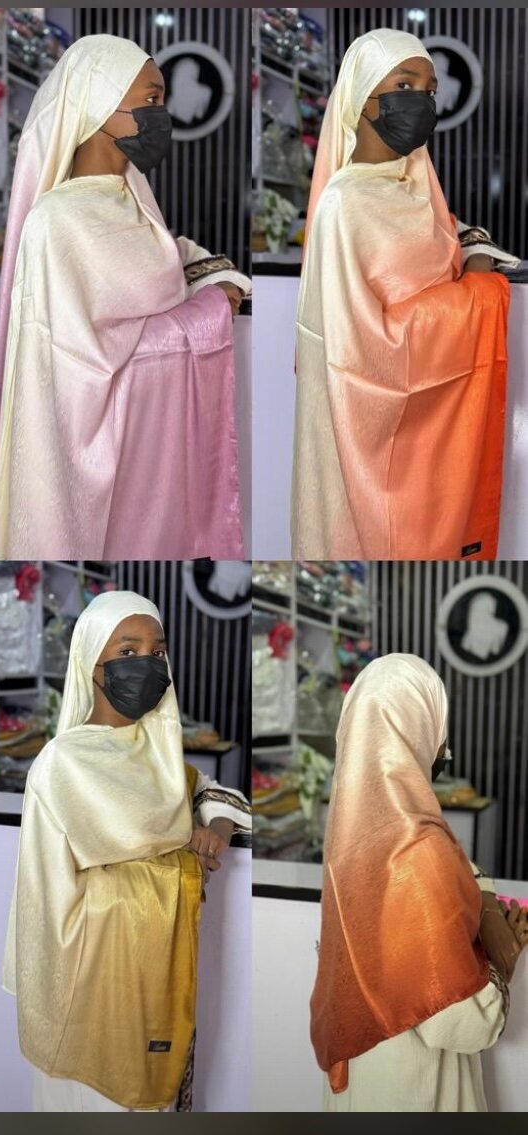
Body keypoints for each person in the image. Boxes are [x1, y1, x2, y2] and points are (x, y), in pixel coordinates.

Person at [0, 35, 251, 560]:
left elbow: (161, 257)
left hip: (153, 451)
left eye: (161, 99)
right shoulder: (55, 223)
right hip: (96, 463)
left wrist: (210, 275)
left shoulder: (132, 194)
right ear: (98, 105)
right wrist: (209, 309)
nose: (162, 114)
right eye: (150, 99)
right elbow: (79, 369)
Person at [3, 590, 252, 1111]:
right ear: (91, 664)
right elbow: (53, 901)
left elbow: (208, 792)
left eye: (157, 652)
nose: (147, 663)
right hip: (87, 996)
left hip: (150, 986)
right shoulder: (61, 764)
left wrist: (218, 825)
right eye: (128, 651)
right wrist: (180, 863)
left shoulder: (159, 755)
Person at [292, 29, 520, 561]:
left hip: (432, 440)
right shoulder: (344, 205)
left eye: (429, 89)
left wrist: (471, 255)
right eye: (404, 84)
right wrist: (480, 287)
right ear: (363, 95)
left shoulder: (418, 189)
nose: (421, 100)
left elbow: (448, 242)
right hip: (369, 446)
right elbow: (366, 351)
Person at [311, 654, 527, 1112]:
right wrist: (501, 958)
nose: (444, 746)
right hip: (411, 1089)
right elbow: (468, 1024)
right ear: (418, 728)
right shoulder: (417, 851)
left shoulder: (349, 839)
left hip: (362, 1076)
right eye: (438, 726)